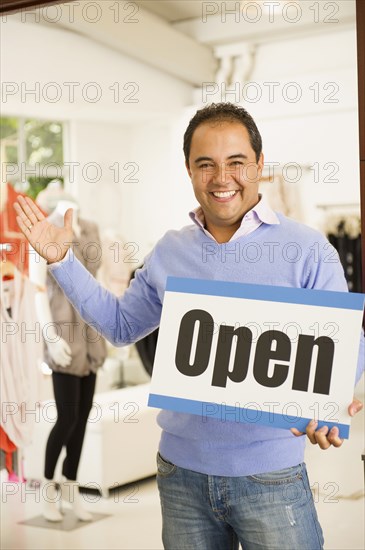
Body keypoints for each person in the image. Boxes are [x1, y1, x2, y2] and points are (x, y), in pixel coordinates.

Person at [14, 103, 364, 549]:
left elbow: (348, 340)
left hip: (271, 475)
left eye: (237, 162)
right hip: (182, 479)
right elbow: (122, 326)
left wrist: (328, 400)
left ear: (259, 164)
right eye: (206, 165)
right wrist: (64, 262)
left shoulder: (309, 249)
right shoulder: (169, 251)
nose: (222, 178)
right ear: (189, 170)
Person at [28, 198, 106, 522]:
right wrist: (48, 334)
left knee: (82, 419)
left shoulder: (90, 230)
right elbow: (37, 290)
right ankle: (49, 492)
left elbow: (95, 276)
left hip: (89, 333)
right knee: (66, 420)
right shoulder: (43, 231)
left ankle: (72, 494)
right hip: (62, 334)